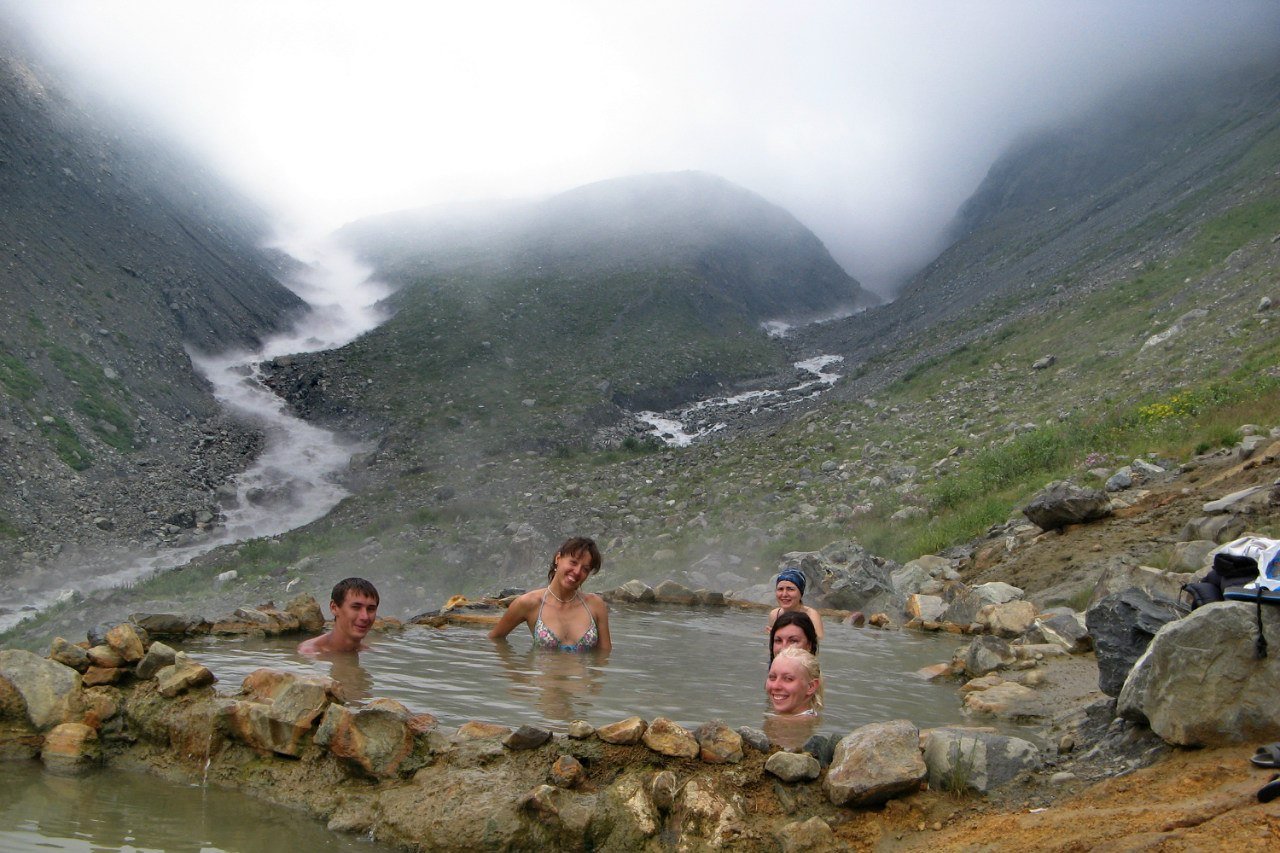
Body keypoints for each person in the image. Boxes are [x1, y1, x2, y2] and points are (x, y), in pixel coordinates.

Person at [488, 536, 612, 652]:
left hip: (582, 675)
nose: (577, 572)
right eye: (573, 562)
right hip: (544, 675)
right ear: (558, 559)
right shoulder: (529, 603)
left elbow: (604, 655)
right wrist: (517, 672)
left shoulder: (595, 605)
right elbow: (495, 639)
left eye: (585, 569)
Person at [298, 577, 380, 655]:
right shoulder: (309, 653)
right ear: (334, 608)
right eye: (356, 607)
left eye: (371, 609)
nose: (365, 617)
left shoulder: (368, 653)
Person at [765, 568, 825, 641]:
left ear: (801, 593)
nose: (784, 594)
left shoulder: (811, 616)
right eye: (780, 589)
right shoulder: (774, 615)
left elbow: (817, 644)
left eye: (790, 589)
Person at [765, 646, 823, 717]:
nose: (775, 686)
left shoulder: (790, 724)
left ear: (811, 686)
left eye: (788, 679)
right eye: (772, 677)